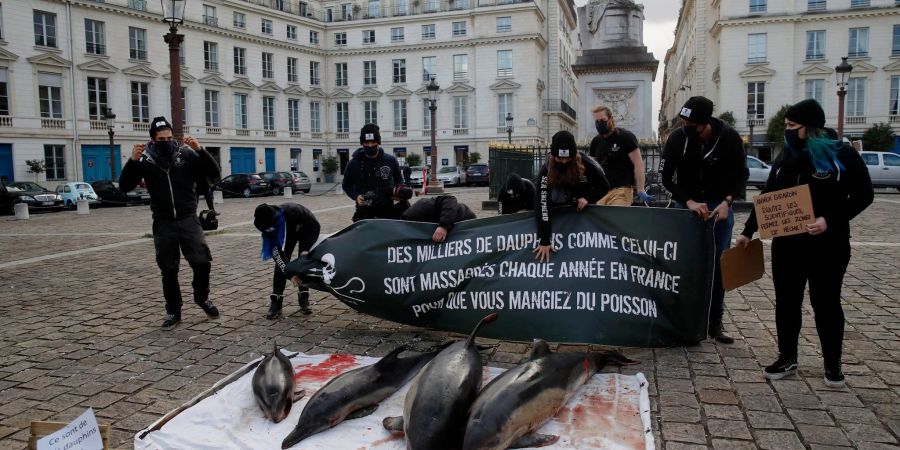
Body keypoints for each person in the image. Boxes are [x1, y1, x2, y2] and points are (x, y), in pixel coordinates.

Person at [735, 99, 873, 387]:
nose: (786, 130)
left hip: (828, 245)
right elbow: (770, 197)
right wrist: (749, 231)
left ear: (808, 128)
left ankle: (833, 364)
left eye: (791, 126)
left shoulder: (841, 155)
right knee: (787, 302)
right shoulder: (786, 155)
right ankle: (787, 356)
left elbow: (864, 195)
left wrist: (829, 220)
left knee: (826, 302)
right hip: (788, 244)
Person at [119, 117, 221, 330]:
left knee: (202, 261)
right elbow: (125, 186)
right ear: (153, 140)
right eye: (160, 138)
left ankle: (201, 297)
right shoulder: (146, 160)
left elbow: (214, 173)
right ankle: (173, 310)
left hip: (188, 218)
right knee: (168, 268)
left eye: (168, 137)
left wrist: (200, 150)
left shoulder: (185, 154)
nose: (165, 141)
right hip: (163, 222)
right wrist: (132, 162)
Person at [661, 96, 747, 344]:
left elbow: (741, 174)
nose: (686, 128)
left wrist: (727, 201)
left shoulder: (729, 138)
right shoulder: (677, 139)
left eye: (692, 124)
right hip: (687, 206)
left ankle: (715, 321)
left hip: (719, 207)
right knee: (684, 264)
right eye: (684, 122)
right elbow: (667, 178)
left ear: (705, 123)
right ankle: (684, 319)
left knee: (719, 266)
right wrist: (687, 201)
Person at [534, 130, 610, 262]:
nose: (563, 162)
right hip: (557, 207)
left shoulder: (587, 163)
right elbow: (542, 205)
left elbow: (604, 186)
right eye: (559, 158)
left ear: (574, 155)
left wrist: (588, 198)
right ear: (553, 156)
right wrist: (545, 240)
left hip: (582, 209)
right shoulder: (546, 170)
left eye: (567, 158)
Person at [254, 203, 322, 319]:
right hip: (285, 235)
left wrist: (305, 250)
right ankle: (276, 300)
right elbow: (277, 252)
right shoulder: (261, 222)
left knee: (303, 260)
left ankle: (304, 296)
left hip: (306, 228)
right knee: (281, 263)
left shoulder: (295, 212)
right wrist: (290, 274)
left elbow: (315, 227)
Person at [589, 106, 653, 206]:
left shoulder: (626, 137)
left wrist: (640, 189)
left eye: (602, 120)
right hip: (602, 192)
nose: (599, 124)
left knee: (615, 219)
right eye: (597, 121)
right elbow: (592, 168)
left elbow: (638, 163)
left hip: (622, 191)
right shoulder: (595, 142)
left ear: (611, 119)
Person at [342, 124, 404, 222]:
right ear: (362, 143)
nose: (370, 145)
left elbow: (399, 181)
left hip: (387, 210)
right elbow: (346, 185)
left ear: (378, 142)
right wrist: (356, 196)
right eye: (367, 142)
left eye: (373, 141)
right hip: (364, 212)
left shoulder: (391, 161)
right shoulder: (353, 163)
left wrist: (398, 193)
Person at [400, 195, 476, 242]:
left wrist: (443, 226)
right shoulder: (410, 224)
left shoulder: (420, 208)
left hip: (464, 219)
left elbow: (450, 199)